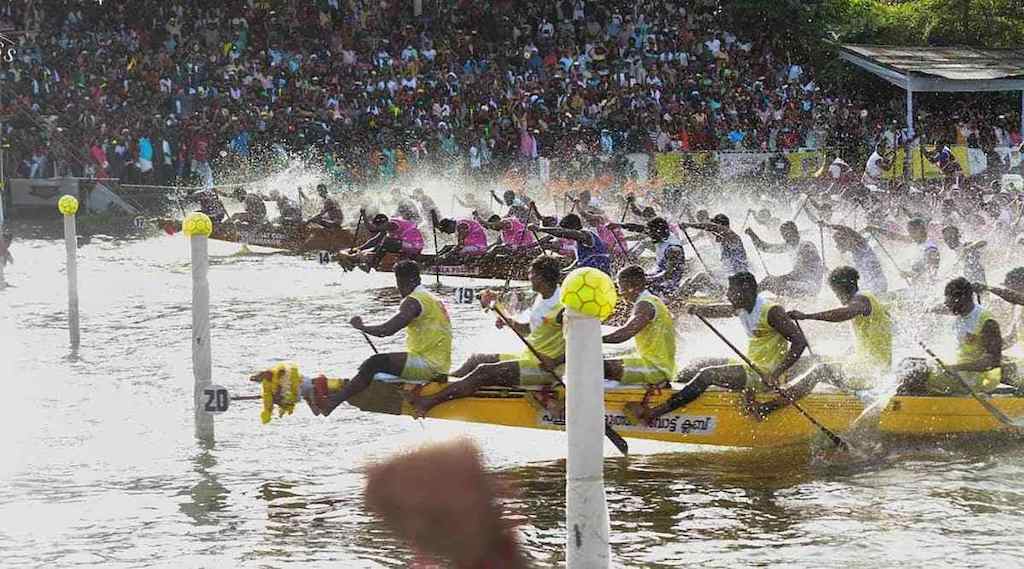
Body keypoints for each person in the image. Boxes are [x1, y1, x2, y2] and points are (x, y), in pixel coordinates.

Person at [625, 271, 810, 423]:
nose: (728, 295)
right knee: (698, 363)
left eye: (731, 291)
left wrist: (776, 374)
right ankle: (665, 387)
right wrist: (698, 310)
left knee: (708, 374)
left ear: (745, 289)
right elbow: (721, 310)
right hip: (750, 365)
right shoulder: (744, 305)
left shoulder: (772, 311)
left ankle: (654, 413)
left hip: (764, 373)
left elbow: (800, 341)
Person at [408, 256, 565, 416]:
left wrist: (555, 361)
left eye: (531, 274)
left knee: (484, 371)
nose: (528, 277)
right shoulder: (542, 297)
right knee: (477, 359)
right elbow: (532, 329)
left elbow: (585, 345)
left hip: (545, 370)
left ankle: (428, 402)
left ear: (540, 277)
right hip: (530, 358)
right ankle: (442, 383)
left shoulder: (562, 306)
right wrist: (509, 322)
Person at [298, 261, 452, 416]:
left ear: (402, 281)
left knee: (375, 363)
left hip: (429, 366)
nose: (399, 289)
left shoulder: (415, 300)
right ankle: (342, 395)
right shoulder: (432, 298)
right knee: (379, 364)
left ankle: (331, 403)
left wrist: (362, 327)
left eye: (398, 283)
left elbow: (386, 330)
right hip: (439, 364)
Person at [786, 266, 893, 395]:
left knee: (820, 370)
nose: (836, 296)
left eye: (835, 292)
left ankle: (775, 404)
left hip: (870, 374)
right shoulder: (869, 298)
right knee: (813, 359)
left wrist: (806, 316)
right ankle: (784, 388)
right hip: (867, 367)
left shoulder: (861, 300)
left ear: (842, 288)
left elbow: (846, 313)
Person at [899, 277, 1002, 395]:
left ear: (961, 298)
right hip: (959, 371)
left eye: (948, 301)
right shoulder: (960, 310)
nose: (946, 304)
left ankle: (928, 405)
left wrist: (955, 368)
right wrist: (925, 309)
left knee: (915, 374)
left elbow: (992, 362)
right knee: (907, 363)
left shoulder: (987, 322)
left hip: (978, 379)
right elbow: (939, 308)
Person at [602, 265, 677, 385]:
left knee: (596, 365)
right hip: (655, 364)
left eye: (622, 287)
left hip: (655, 370)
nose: (621, 293)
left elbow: (623, 334)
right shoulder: (651, 300)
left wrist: (592, 340)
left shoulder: (645, 305)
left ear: (635, 286)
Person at [745, 221, 824, 299]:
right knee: (768, 281)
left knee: (768, 282)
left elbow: (800, 272)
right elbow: (765, 247)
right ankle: (748, 298)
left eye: (787, 234)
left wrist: (781, 278)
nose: (785, 238)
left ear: (795, 232)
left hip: (809, 286)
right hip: (800, 283)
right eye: (783, 235)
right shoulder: (790, 245)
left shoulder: (806, 246)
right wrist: (752, 235)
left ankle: (747, 300)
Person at [613, 217, 686, 298]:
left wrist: (646, 281)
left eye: (651, 233)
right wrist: (619, 225)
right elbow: (639, 228)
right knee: (628, 277)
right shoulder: (661, 234)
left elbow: (669, 275)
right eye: (649, 232)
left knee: (633, 287)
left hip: (668, 285)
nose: (649, 235)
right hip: (656, 274)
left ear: (658, 232)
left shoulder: (673, 249)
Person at [336, 213, 425, 271]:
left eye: (380, 226)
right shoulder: (387, 227)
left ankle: (371, 264)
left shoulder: (392, 224)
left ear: (385, 222)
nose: (380, 229)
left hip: (414, 245)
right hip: (407, 245)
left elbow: (372, 229)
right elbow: (375, 240)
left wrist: (364, 216)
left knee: (387, 242)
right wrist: (360, 248)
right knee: (382, 243)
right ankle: (368, 261)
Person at [530, 213, 611, 275]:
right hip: (589, 271)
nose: (566, 238)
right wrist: (564, 271)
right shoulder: (579, 241)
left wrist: (540, 229)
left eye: (567, 230)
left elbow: (562, 232)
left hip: (599, 272)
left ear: (573, 227)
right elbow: (578, 262)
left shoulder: (585, 235)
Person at [866, 217, 939, 285]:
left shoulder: (930, 249)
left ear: (920, 229)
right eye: (909, 231)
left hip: (927, 288)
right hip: (917, 286)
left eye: (912, 231)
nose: (910, 234)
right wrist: (876, 229)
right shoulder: (917, 241)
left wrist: (908, 274)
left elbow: (930, 273)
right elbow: (895, 236)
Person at [822, 222, 888, 293]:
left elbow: (847, 229)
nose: (837, 245)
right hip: (868, 287)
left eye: (839, 242)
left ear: (849, 239)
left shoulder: (861, 246)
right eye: (836, 242)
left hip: (878, 286)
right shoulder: (853, 254)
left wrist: (828, 225)